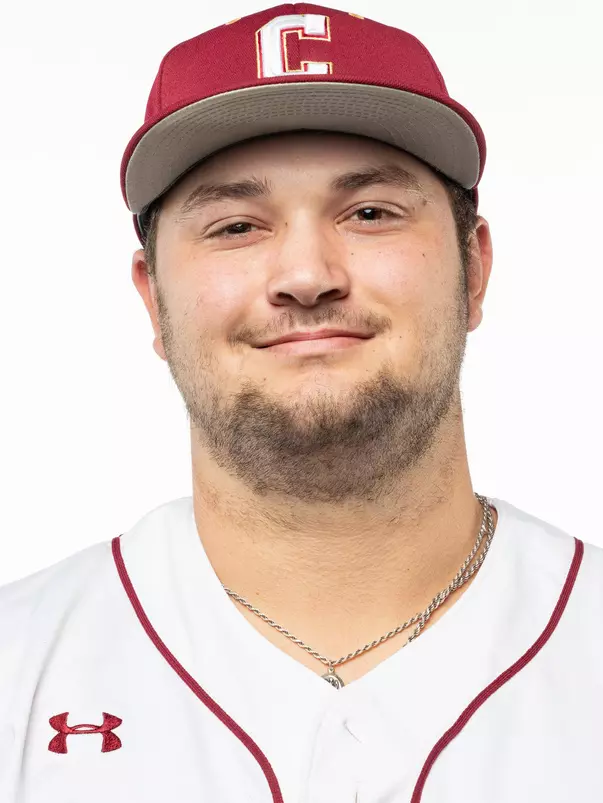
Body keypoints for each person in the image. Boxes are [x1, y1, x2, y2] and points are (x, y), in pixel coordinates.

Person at [1, 4, 601, 802]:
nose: (307, 274)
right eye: (236, 225)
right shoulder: (19, 666)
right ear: (154, 301)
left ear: (474, 269)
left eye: (369, 213)